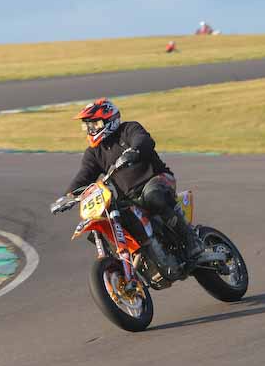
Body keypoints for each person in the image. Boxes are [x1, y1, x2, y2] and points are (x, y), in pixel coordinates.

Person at [62, 98, 204, 274]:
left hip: (157, 179)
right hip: (130, 197)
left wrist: (134, 151)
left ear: (110, 120)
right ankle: (136, 263)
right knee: (113, 218)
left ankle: (192, 241)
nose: (91, 129)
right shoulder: (93, 153)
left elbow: (143, 140)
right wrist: (68, 196)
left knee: (153, 196)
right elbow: (84, 175)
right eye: (87, 126)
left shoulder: (128, 129)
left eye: (95, 124)